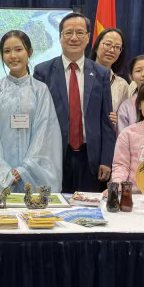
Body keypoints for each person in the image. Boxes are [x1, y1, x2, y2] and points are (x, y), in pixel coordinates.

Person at [33, 12, 115, 193]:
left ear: (88, 38)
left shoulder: (101, 73)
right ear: (60, 37)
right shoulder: (43, 72)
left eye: (80, 33)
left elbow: (106, 120)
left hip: (90, 158)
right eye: (68, 33)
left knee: (88, 211)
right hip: (54, 156)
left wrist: (106, 159)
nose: (74, 38)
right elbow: (37, 120)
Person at [0, 31, 62, 194]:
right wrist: (4, 172)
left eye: (18, 49)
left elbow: (45, 134)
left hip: (33, 176)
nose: (13, 56)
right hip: (0, 179)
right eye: (7, 51)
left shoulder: (40, 90)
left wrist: (24, 169)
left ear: (29, 52)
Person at [89, 28, 129, 124]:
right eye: (107, 44)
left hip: (109, 136)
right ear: (96, 46)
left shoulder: (122, 85)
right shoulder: (80, 74)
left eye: (117, 47)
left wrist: (118, 121)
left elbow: (125, 118)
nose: (112, 50)